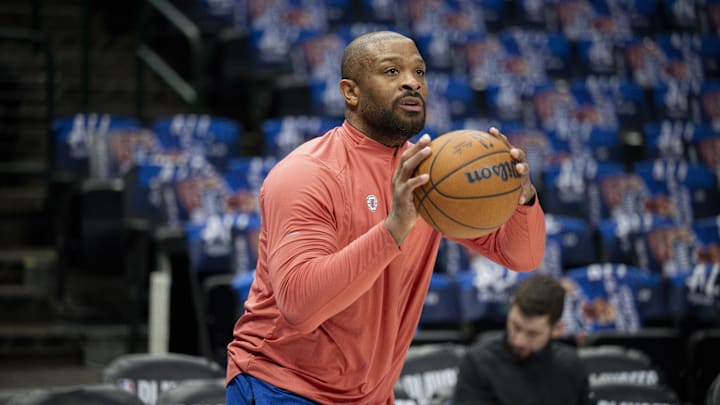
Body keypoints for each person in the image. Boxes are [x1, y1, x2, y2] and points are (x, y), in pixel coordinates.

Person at [226, 30, 546, 404]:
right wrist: (394, 227)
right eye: (392, 71)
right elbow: (299, 307)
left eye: (420, 72)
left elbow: (522, 256)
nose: (412, 82)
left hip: (371, 395)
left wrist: (523, 197)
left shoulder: (432, 176)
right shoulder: (306, 173)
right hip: (282, 385)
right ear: (351, 92)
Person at [453, 274, 594, 405]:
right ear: (510, 310)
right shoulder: (477, 364)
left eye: (532, 334)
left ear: (557, 329)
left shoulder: (570, 366)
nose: (519, 341)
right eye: (515, 326)